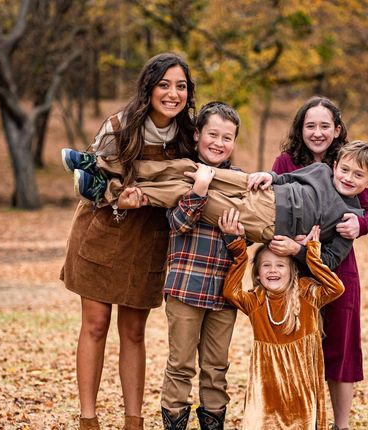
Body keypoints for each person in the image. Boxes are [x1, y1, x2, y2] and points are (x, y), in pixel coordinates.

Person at [60, 52, 196, 430]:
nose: (173, 93)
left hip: (149, 238)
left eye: (180, 86)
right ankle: (89, 419)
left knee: (134, 332)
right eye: (164, 85)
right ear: (149, 88)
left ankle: (132, 422)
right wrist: (117, 197)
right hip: (103, 231)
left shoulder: (190, 135)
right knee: (96, 324)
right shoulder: (119, 127)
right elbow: (90, 183)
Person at [63, 141, 368, 271]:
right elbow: (289, 178)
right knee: (190, 168)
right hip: (260, 190)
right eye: (346, 169)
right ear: (336, 164)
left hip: (267, 221)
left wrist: (296, 251)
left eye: (358, 175)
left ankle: (107, 191)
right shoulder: (321, 170)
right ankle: (101, 163)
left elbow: (328, 261)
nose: (348, 178)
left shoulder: (349, 218)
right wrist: (268, 176)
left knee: (196, 193)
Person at [271, 96, 368, 430]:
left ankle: (341, 424)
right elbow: (270, 200)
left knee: (341, 344)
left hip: (337, 266)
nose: (317, 133)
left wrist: (358, 225)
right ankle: (298, 419)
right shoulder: (287, 162)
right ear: (300, 128)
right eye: (310, 126)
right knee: (295, 343)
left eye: (324, 126)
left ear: (336, 129)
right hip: (292, 267)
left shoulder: (349, 162)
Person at [158, 102, 241, 430]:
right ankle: (174, 422)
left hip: (223, 295)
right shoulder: (181, 175)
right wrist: (200, 189)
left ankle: (213, 424)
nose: (219, 143)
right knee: (180, 365)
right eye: (213, 134)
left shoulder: (238, 183)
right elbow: (176, 224)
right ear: (197, 136)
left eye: (227, 137)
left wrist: (235, 237)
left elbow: (243, 246)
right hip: (186, 288)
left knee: (216, 368)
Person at [218, 216, 344, 429]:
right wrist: (239, 252)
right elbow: (231, 292)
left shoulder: (306, 292)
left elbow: (336, 288)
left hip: (301, 379)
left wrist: (312, 254)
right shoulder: (256, 300)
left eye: (280, 265)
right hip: (267, 380)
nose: (273, 270)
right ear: (258, 273)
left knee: (300, 422)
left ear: (292, 270)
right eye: (266, 265)